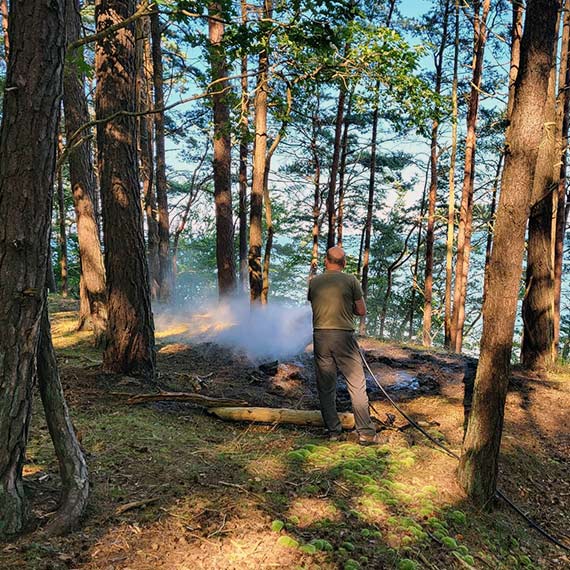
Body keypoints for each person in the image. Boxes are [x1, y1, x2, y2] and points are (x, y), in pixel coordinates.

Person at [307, 246, 380, 445]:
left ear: (326, 261)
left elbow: (314, 302)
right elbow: (361, 310)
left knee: (326, 386)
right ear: (344, 263)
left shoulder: (314, 282)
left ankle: (333, 431)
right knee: (356, 383)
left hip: (320, 337)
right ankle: (365, 432)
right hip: (344, 337)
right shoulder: (351, 281)